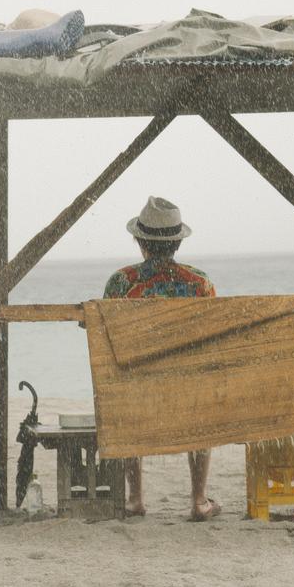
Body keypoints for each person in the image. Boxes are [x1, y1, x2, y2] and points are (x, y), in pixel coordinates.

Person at [103, 196, 220, 521]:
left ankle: (135, 498)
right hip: (187, 391)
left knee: (126, 393)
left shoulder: (121, 282)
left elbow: (104, 334)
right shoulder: (200, 284)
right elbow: (213, 336)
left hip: (137, 390)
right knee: (199, 404)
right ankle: (198, 500)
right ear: (177, 243)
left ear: (140, 241)